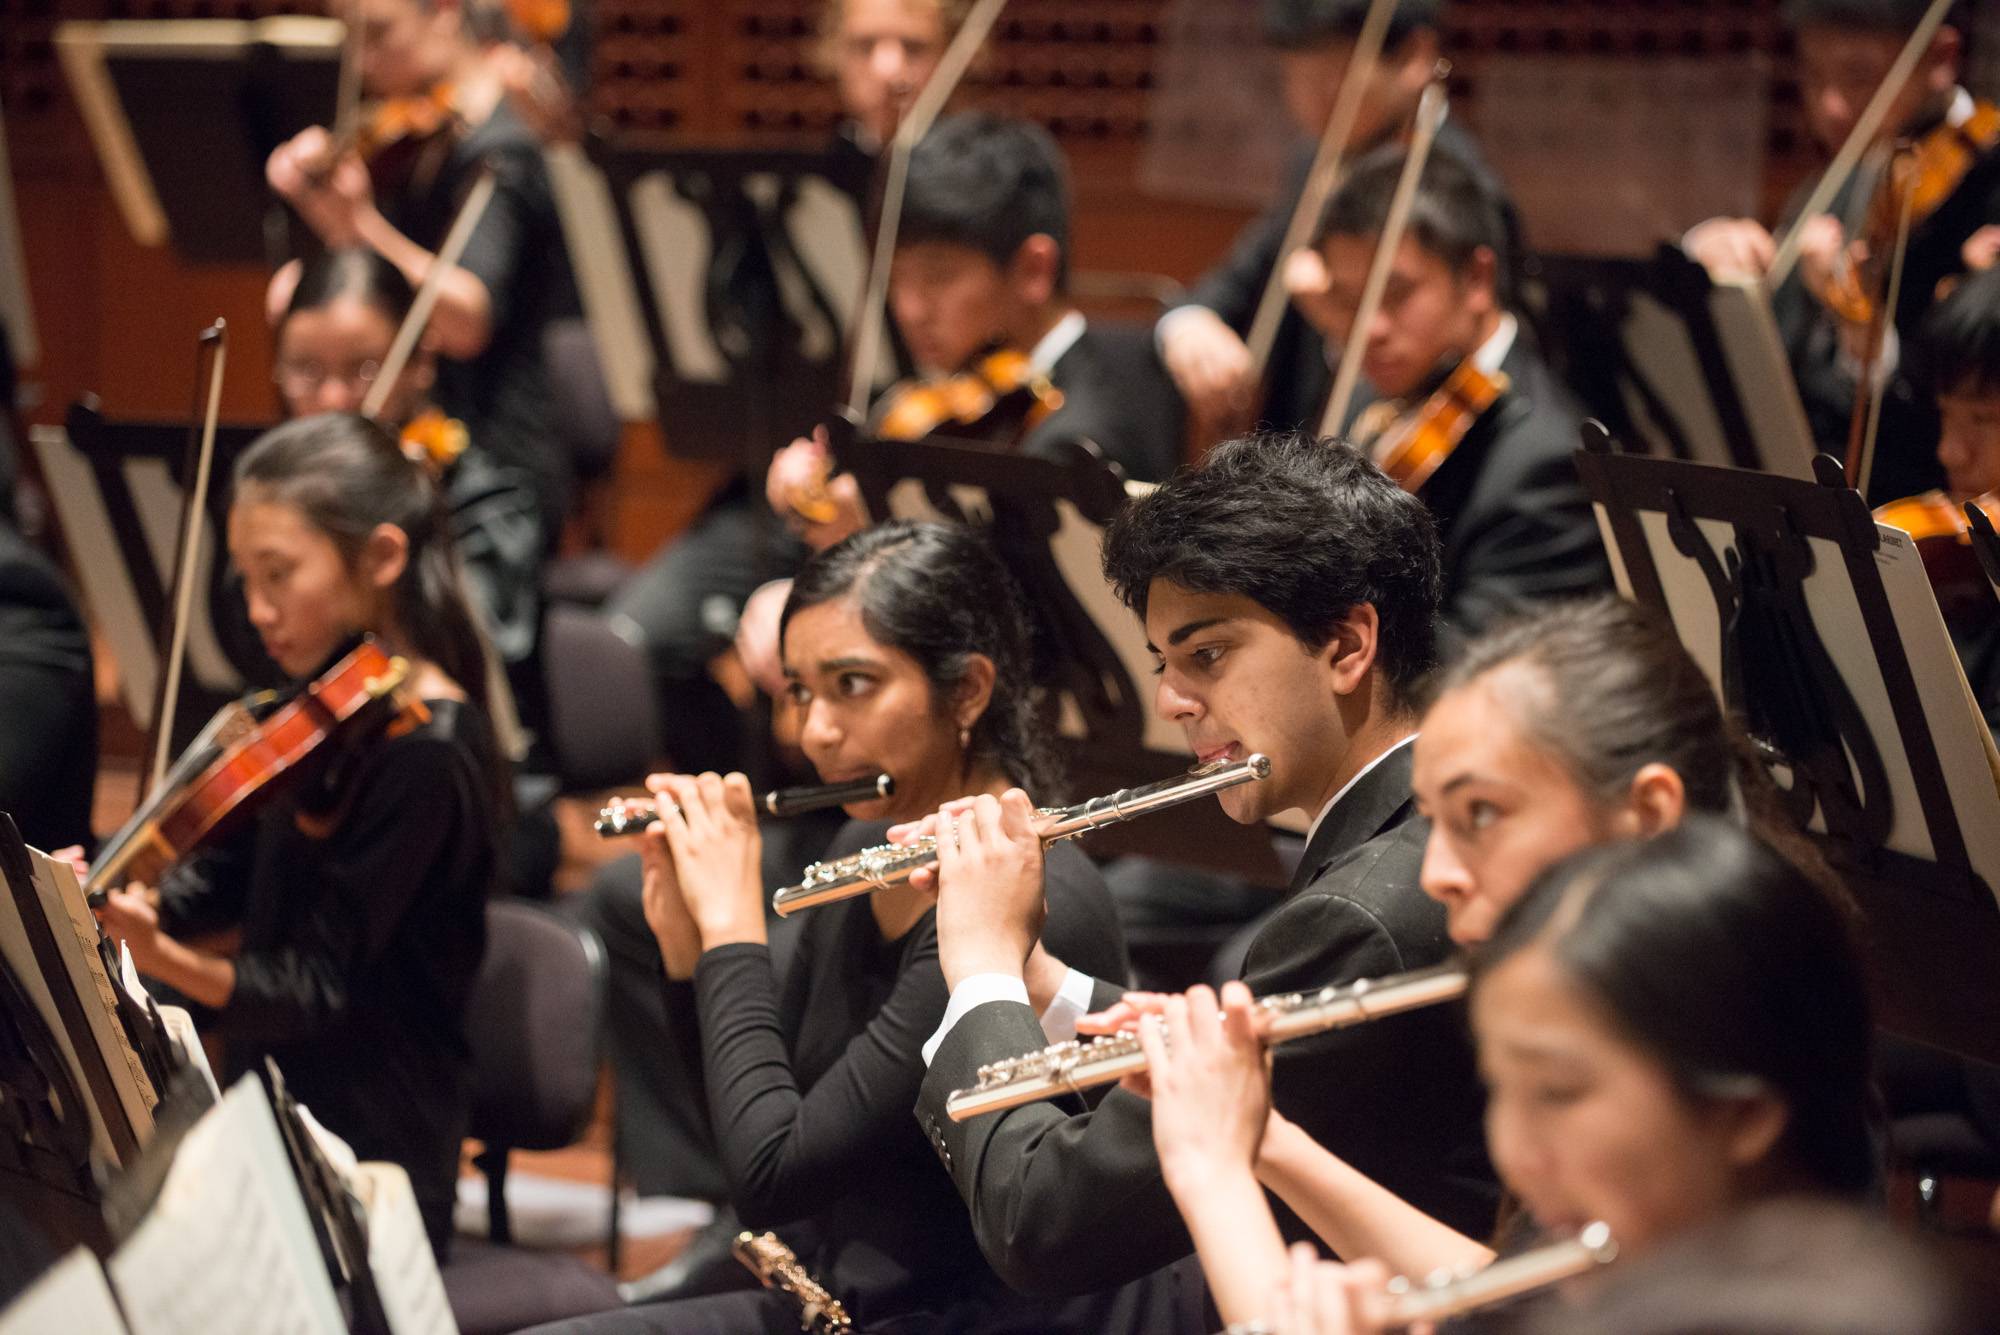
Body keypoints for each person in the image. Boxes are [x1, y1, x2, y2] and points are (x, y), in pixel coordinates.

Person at [909, 430, 1496, 1308]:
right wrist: (1038, 980)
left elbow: (1042, 1223)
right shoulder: (1422, 827)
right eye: (1164, 662)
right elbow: (1254, 1081)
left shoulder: (1361, 914)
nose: (1171, 701)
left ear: (1346, 645)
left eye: (1207, 655)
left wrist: (981, 973)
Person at [544, 521, 1137, 1335]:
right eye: (798, 691)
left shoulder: (1026, 900)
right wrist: (689, 955)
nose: (813, 731)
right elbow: (752, 1123)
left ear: (967, 690)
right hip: (833, 1292)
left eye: (851, 685)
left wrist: (732, 930)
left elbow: (772, 1172)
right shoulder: (866, 841)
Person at [1145, 816, 1877, 1329]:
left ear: (1741, 1116)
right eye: (1504, 1089)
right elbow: (1505, 1295)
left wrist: (1212, 1173)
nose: (1516, 1152)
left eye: (1557, 1091)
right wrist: (1261, 1134)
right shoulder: (1669, 1252)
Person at [625, 111, 1181, 757]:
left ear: (1033, 269)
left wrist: (835, 577)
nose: (910, 308)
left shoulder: (1080, 430)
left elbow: (1002, 630)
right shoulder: (962, 400)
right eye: (897, 277)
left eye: (939, 276)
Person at [94, 414, 501, 1261]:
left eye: (278, 575)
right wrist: (126, 887)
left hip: (365, 1150)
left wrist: (163, 957)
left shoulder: (428, 751)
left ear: (382, 558)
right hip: (270, 1107)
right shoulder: (321, 709)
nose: (256, 610)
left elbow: (318, 986)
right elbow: (243, 881)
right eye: (245, 577)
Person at [265, 0, 578, 542]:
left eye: (380, 35)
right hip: (410, 444)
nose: (362, 62)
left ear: (445, 11)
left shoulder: (503, 152)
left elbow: (465, 322)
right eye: (352, 40)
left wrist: (357, 228)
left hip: (489, 467)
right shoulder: (410, 135)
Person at [1156, 0, 1523, 441]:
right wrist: (1192, 322)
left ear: (1415, 57)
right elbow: (1246, 273)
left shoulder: (1463, 193)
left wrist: (1340, 316)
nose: (1312, 99)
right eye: (1295, 75)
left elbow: (1470, 359)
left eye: (1336, 74)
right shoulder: (1317, 163)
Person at [1684, 0, 2000, 506]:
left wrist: (1856, 324)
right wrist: (1722, 284)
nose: (1829, 105)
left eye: (1859, 76)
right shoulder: (1829, 185)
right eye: (1812, 76)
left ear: (1941, 58)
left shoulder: (1984, 187)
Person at [1304, 145, 1608, 644]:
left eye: (1397, 294)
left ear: (1476, 279)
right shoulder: (1373, 395)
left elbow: (1475, 670)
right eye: (1348, 300)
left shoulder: (1546, 464)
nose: (1370, 329)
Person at [265, 248, 543, 693]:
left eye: (364, 369)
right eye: (305, 369)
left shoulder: (487, 503)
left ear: (422, 362)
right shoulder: (269, 502)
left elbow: (474, 655)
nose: (333, 399)